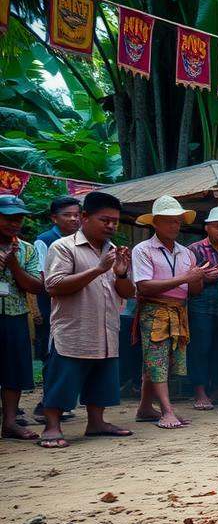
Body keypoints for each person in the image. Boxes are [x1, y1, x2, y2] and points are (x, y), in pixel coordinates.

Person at [39, 191, 135, 447]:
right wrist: (98, 269)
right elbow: (54, 286)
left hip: (105, 327)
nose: (111, 226)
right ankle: (52, 426)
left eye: (115, 221)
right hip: (74, 327)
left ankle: (96, 423)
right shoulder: (63, 246)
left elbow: (128, 292)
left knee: (102, 378)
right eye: (105, 220)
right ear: (84, 217)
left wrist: (122, 274)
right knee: (63, 377)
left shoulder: (114, 250)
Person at [130, 196, 205, 430]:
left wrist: (197, 278)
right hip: (154, 310)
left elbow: (195, 290)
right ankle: (167, 410)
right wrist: (186, 278)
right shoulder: (143, 250)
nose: (175, 225)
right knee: (157, 360)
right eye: (169, 221)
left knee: (164, 361)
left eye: (178, 221)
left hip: (179, 310)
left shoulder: (186, 253)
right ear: (156, 223)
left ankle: (145, 407)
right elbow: (143, 285)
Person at [31, 195, 82, 423]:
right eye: (67, 215)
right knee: (52, 353)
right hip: (51, 305)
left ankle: (60, 401)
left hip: (78, 306)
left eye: (77, 215)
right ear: (54, 218)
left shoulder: (83, 239)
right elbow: (44, 279)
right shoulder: (45, 240)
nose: (74, 219)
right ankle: (47, 403)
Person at [1, 196, 43, 441]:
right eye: (8, 218)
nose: (14, 223)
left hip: (16, 314)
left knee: (13, 371)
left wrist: (14, 265)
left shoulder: (26, 249)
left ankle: (9, 422)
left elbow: (36, 286)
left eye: (18, 218)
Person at [187, 207, 218, 411]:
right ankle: (199, 391)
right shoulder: (194, 250)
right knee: (200, 349)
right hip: (201, 306)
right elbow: (186, 279)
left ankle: (217, 388)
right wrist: (204, 278)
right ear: (207, 227)